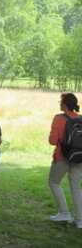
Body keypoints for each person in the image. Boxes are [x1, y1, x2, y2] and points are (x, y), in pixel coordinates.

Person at [48, 93, 82, 228]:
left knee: (53, 182)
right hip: (78, 157)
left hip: (62, 157)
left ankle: (64, 212)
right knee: (76, 186)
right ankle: (79, 220)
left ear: (65, 105)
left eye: (60, 102)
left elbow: (52, 141)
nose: (59, 104)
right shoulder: (80, 118)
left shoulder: (58, 118)